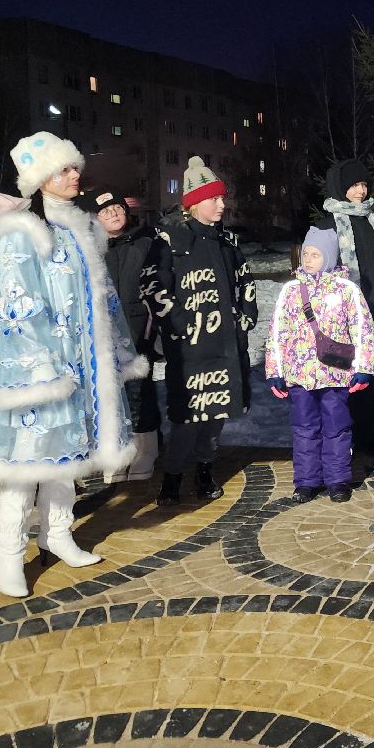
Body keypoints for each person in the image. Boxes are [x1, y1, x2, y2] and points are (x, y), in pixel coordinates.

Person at [0, 133, 144, 598]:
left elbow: (104, 299)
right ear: (40, 177)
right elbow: (14, 304)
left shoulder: (83, 230)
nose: (73, 175)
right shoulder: (22, 231)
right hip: (40, 373)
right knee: (25, 463)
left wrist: (115, 355)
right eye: (63, 169)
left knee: (70, 456)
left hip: (83, 368)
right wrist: (41, 368)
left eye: (74, 167)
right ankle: (9, 553)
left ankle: (58, 533)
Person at [145, 156, 259, 507]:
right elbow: (152, 285)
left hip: (225, 345)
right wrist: (179, 324)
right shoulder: (169, 240)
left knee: (217, 412)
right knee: (188, 416)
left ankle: (205, 471)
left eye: (222, 198)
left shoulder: (227, 242)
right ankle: (173, 475)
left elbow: (246, 281)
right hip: (190, 348)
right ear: (194, 202)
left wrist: (246, 318)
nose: (222, 204)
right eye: (215, 198)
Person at [265, 227, 374, 503]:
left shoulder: (347, 290)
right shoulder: (291, 290)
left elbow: (363, 330)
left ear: (328, 257)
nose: (308, 259)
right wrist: (275, 371)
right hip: (300, 375)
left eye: (315, 255)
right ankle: (306, 481)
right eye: (306, 254)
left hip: (335, 374)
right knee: (304, 429)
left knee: (337, 428)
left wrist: (364, 367)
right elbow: (277, 333)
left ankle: (337, 480)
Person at [316, 159, 374, 455]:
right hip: (339, 315)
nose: (361, 191)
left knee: (366, 376)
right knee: (340, 376)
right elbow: (316, 272)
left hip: (369, 312)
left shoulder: (372, 221)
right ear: (340, 188)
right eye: (354, 185)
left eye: (364, 184)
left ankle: (365, 436)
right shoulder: (327, 225)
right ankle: (340, 438)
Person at [79, 186, 160, 481]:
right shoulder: (90, 249)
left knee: (139, 391)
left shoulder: (146, 241)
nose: (113, 214)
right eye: (105, 211)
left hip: (138, 329)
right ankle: (117, 450)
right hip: (102, 332)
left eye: (117, 208)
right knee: (108, 393)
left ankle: (146, 449)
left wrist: (153, 325)